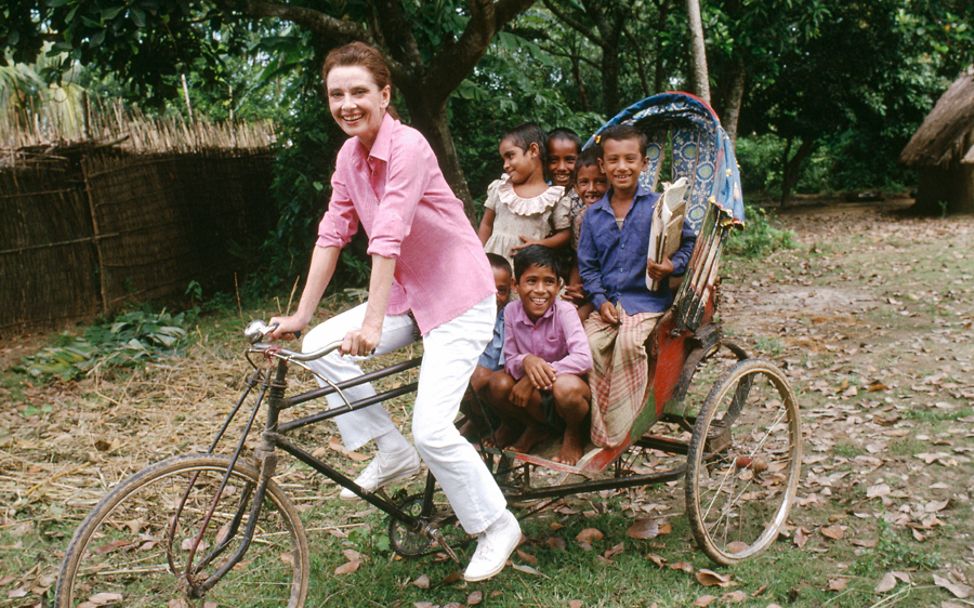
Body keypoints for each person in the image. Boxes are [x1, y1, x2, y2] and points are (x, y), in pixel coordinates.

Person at [269, 42, 520, 583]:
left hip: (459, 296)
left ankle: (496, 524)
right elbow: (334, 232)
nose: (347, 103)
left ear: (385, 95)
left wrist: (373, 323)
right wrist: (300, 317)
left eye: (359, 91)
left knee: (432, 428)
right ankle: (389, 450)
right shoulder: (349, 157)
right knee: (316, 348)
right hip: (410, 295)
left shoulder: (409, 147)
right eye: (337, 94)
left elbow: (388, 234)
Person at [577, 125, 696, 449]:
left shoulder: (659, 206)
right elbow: (588, 268)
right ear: (602, 165)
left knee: (629, 344)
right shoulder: (593, 216)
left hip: (646, 302)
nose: (621, 167)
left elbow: (689, 242)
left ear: (644, 164)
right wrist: (600, 301)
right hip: (609, 305)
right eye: (613, 160)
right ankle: (601, 428)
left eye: (630, 159)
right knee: (585, 345)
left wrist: (672, 266)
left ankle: (622, 428)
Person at [485, 245, 592, 465]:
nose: (540, 290)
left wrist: (537, 374)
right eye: (531, 281)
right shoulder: (511, 311)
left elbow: (583, 358)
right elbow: (511, 358)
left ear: (559, 285)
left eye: (549, 282)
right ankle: (535, 427)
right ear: (516, 284)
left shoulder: (565, 312)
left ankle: (573, 434)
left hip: (564, 399)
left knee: (567, 387)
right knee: (497, 382)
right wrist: (527, 361)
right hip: (533, 402)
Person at [477, 123, 570, 267]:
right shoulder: (501, 189)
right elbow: (486, 224)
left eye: (510, 156)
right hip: (493, 267)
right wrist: (478, 256)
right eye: (503, 159)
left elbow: (564, 234)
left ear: (533, 150)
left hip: (529, 269)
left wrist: (540, 244)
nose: (505, 165)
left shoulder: (552, 197)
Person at [459, 253, 514, 440]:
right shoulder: (464, 315)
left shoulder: (510, 317)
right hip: (472, 386)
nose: (494, 297)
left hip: (499, 387)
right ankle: (478, 420)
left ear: (511, 288)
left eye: (501, 290)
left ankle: (508, 424)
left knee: (479, 378)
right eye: (487, 289)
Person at [562, 148, 608, 322]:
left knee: (578, 319)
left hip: (610, 288)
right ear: (575, 187)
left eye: (600, 182)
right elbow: (579, 258)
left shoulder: (616, 217)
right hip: (589, 285)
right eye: (583, 182)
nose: (591, 189)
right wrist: (574, 289)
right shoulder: (581, 219)